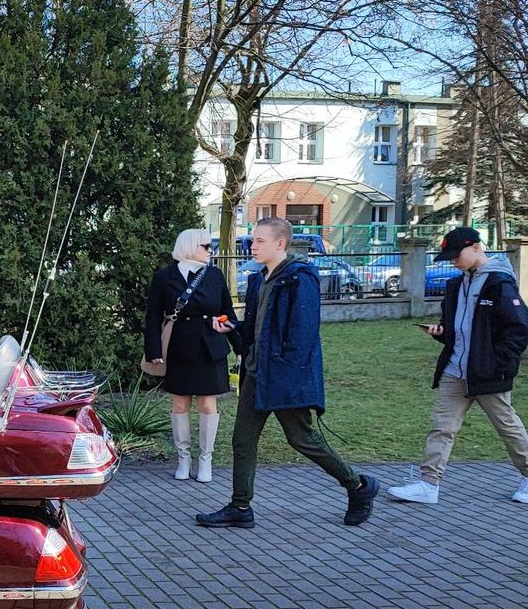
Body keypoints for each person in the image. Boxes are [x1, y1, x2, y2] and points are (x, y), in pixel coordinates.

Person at [196, 217, 377, 529]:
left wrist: (290, 377)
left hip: (284, 377)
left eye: (259, 241)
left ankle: (358, 486)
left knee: (302, 439)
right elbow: (258, 330)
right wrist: (233, 328)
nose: (252, 246)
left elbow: (302, 335)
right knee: (242, 440)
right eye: (252, 240)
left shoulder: (299, 278)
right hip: (256, 373)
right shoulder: (259, 280)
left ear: (280, 243)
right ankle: (240, 507)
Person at [388, 227, 528, 505]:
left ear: (476, 247)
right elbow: (456, 328)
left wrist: (498, 364)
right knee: (442, 426)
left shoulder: (500, 284)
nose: (453, 261)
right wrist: (442, 333)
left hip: (488, 373)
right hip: (455, 370)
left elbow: (518, 329)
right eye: (449, 257)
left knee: (507, 426)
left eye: (456, 255)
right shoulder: (455, 285)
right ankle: (429, 484)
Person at [143, 229, 234, 482]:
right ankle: (183, 459)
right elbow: (153, 316)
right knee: (180, 404)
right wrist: (153, 350)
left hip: (210, 348)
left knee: (208, 404)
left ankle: (206, 460)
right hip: (179, 347)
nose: (211, 250)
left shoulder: (214, 275)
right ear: (189, 246)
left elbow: (228, 313)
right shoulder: (164, 277)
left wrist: (239, 344)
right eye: (206, 246)